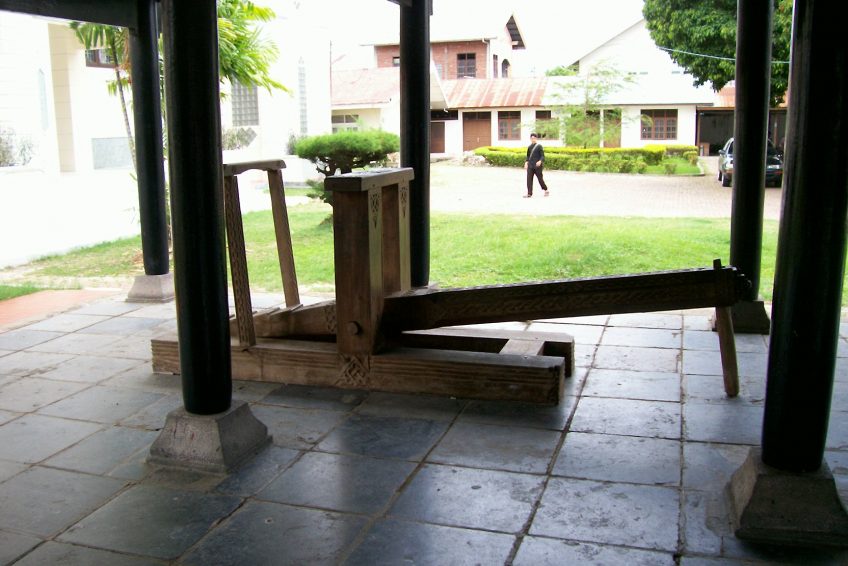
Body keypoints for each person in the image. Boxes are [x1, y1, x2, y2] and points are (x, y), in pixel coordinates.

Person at [524, 133, 549, 198]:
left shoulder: (539, 146)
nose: (533, 139)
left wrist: (540, 161)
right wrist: (526, 162)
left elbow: (542, 156)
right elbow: (528, 156)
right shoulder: (529, 147)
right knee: (529, 179)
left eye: (534, 138)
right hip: (530, 165)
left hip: (537, 166)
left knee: (540, 179)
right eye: (532, 138)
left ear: (536, 138)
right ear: (530, 139)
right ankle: (529, 193)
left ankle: (546, 189)